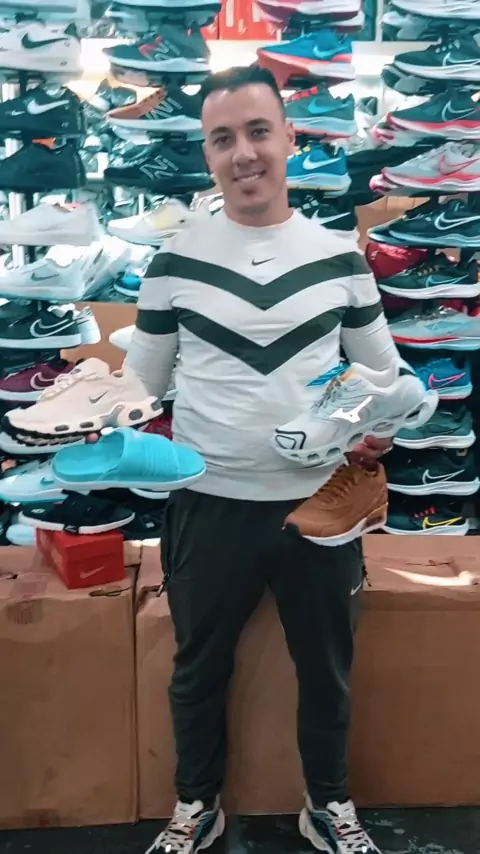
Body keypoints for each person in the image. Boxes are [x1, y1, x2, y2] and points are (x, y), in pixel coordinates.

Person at [126, 64, 397, 854]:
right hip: (207, 502)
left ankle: (329, 803)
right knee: (197, 668)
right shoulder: (173, 262)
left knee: (328, 669)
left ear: (288, 137)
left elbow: (383, 380)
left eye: (256, 132)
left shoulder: (340, 258)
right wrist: (97, 413)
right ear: (207, 154)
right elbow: (140, 389)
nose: (243, 152)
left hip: (320, 504)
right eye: (222, 139)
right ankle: (195, 805)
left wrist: (375, 426)